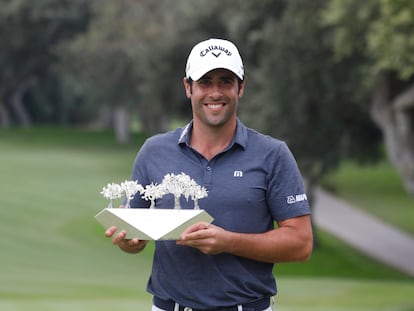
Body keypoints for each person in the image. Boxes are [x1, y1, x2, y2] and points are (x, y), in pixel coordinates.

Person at [105, 38, 313, 311]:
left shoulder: (272, 154)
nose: (215, 92)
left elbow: (300, 244)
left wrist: (229, 242)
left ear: (241, 87)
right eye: (205, 82)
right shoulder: (154, 151)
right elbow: (136, 238)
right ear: (188, 87)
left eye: (225, 81)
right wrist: (130, 243)